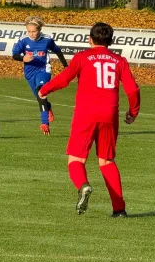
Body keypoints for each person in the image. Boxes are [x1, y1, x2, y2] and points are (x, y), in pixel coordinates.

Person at [38, 22, 140, 217]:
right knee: (107, 161)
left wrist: (45, 90)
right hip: (110, 114)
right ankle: (119, 209)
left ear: (89, 39)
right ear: (111, 41)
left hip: (86, 114)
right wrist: (133, 111)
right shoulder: (120, 61)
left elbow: (65, 79)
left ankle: (83, 186)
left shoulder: (82, 58)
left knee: (76, 159)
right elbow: (133, 89)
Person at [12, 16, 68, 135]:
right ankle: (48, 107)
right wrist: (23, 58)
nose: (32, 34)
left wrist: (66, 67)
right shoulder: (23, 40)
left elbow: (57, 51)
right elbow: (15, 55)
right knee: (39, 98)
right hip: (29, 72)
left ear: (39, 29)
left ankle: (44, 123)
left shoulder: (47, 39)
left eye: (34, 31)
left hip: (43, 69)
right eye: (29, 31)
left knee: (41, 93)